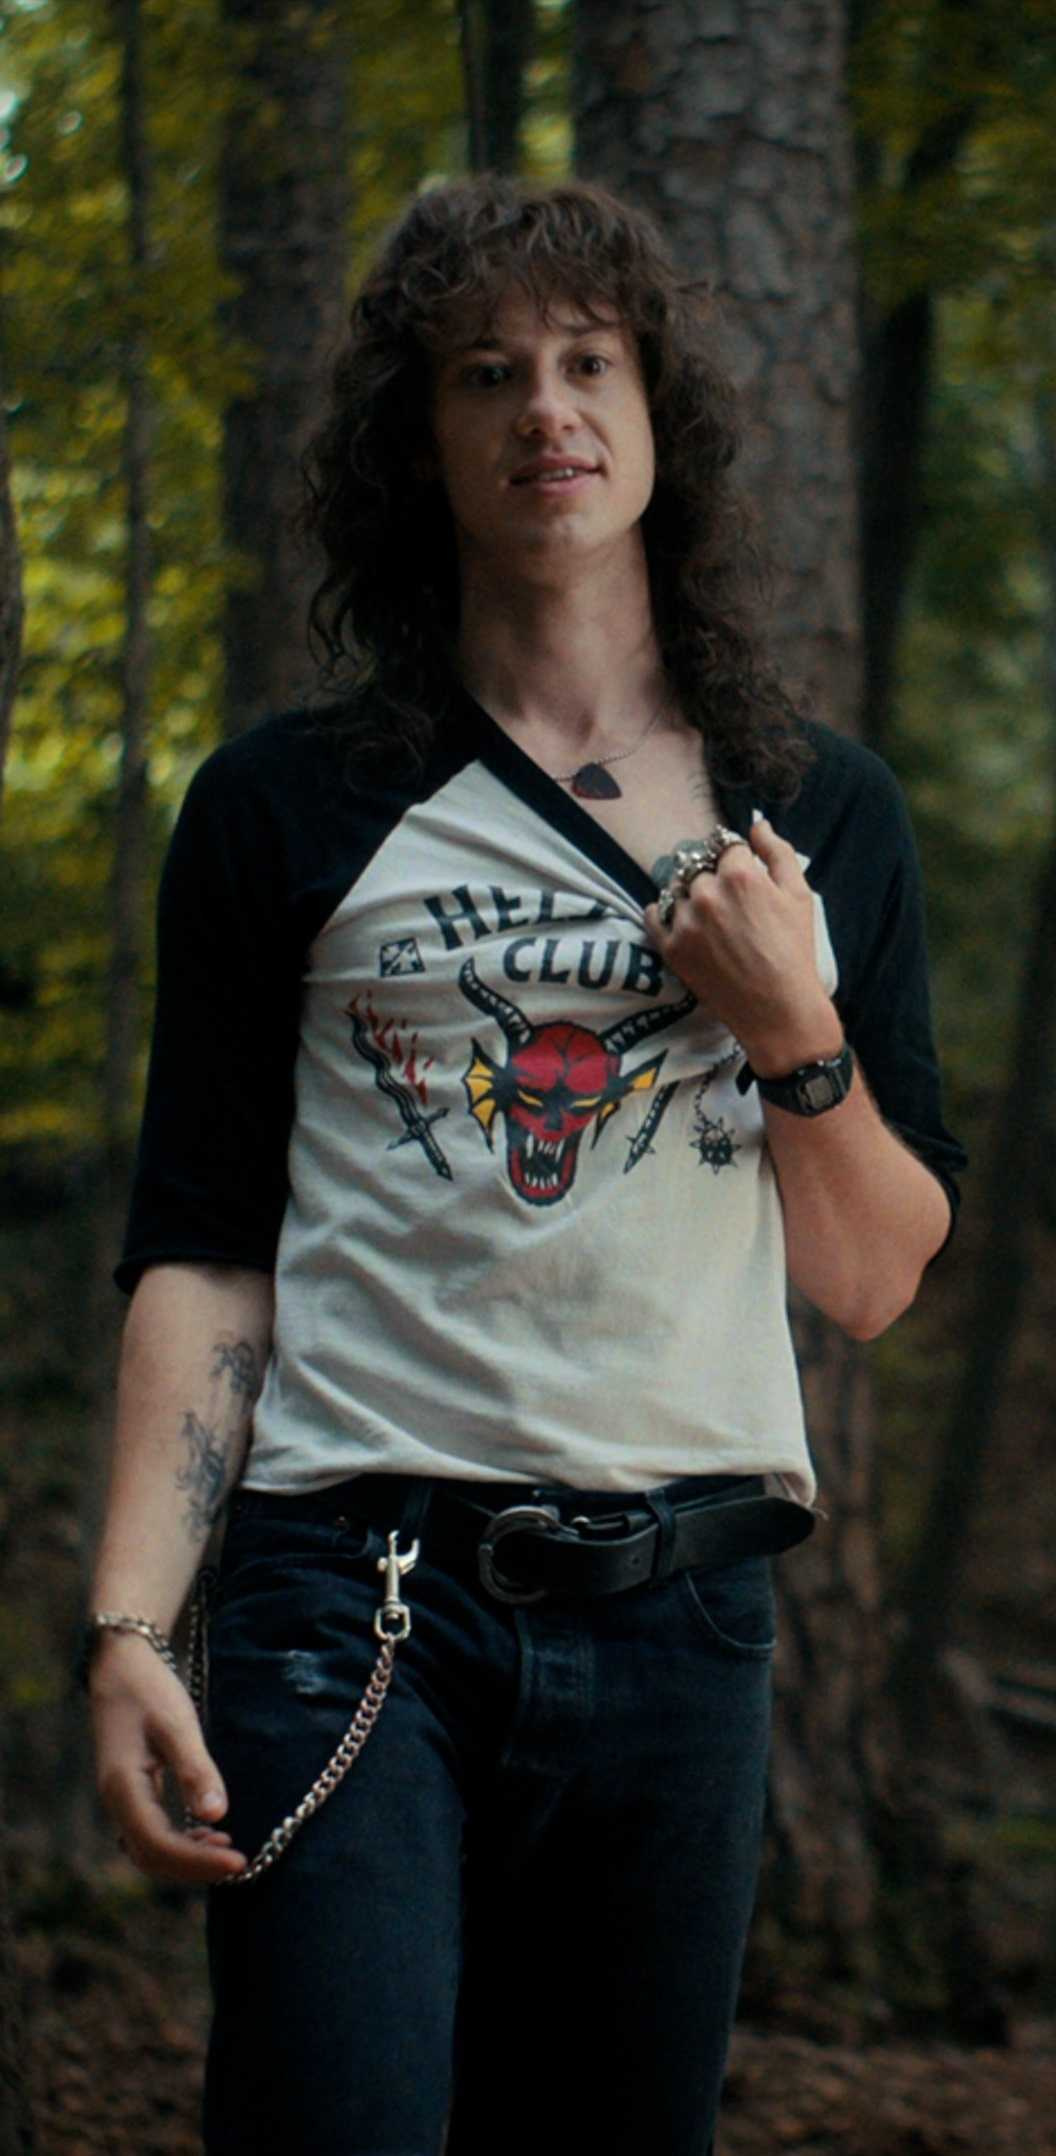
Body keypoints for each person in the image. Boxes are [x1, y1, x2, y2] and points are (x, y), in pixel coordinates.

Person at [85, 177, 965, 2155]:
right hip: (355, 1599)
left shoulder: (816, 809)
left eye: (588, 361)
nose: (544, 407)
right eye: (485, 373)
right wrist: (133, 1626)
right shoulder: (288, 804)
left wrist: (790, 1026)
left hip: (686, 1619)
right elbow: (207, 1247)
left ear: (657, 416)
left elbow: (874, 1275)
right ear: (420, 440)